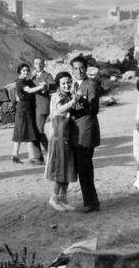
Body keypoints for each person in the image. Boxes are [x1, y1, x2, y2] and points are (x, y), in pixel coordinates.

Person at [69, 56, 101, 213]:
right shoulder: (73, 84)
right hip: (76, 132)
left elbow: (94, 109)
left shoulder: (91, 84)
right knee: (82, 168)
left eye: (81, 68)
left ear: (86, 68)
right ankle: (89, 200)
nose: (79, 71)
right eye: (75, 68)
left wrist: (83, 102)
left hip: (86, 132)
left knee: (85, 168)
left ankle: (92, 202)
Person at [44, 72, 78, 211]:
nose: (66, 85)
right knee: (61, 169)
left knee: (68, 168)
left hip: (67, 136)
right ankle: (53, 198)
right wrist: (73, 102)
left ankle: (63, 198)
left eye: (68, 82)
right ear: (59, 85)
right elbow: (59, 110)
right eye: (63, 83)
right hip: (59, 136)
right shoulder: (57, 96)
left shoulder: (68, 95)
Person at [11, 63, 43, 164]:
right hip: (23, 109)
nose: (26, 72)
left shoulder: (25, 81)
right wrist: (41, 87)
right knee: (20, 132)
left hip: (27, 109)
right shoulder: (20, 82)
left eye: (27, 70)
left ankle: (21, 156)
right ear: (20, 71)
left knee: (26, 132)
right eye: (24, 70)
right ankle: (18, 156)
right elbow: (29, 90)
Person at [32, 57, 55, 161]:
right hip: (33, 107)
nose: (39, 65)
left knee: (39, 131)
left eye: (41, 63)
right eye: (36, 63)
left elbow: (54, 86)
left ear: (44, 64)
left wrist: (47, 86)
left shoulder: (47, 75)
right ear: (34, 65)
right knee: (34, 131)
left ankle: (51, 152)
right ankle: (38, 156)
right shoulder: (32, 77)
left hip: (42, 106)